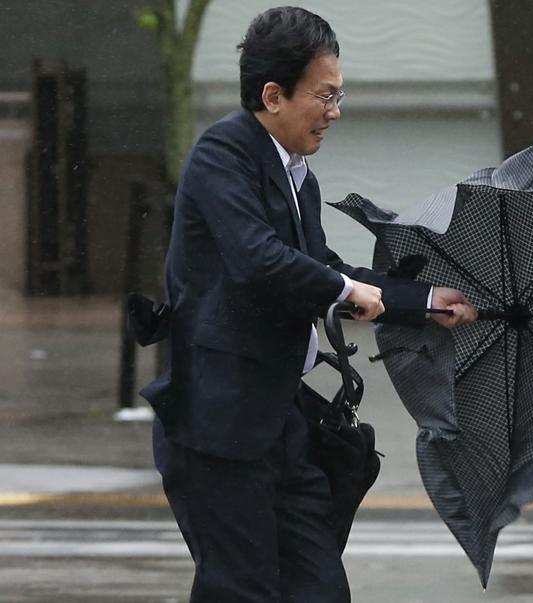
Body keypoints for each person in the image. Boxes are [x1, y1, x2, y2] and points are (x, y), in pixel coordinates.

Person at [140, 6, 477, 602]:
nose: (335, 112)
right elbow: (259, 260)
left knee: (319, 589)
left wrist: (420, 300)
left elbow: (321, 268)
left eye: (338, 95)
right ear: (273, 95)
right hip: (218, 430)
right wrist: (347, 291)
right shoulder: (222, 155)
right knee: (240, 591)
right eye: (324, 95)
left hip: (282, 423)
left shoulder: (299, 175)